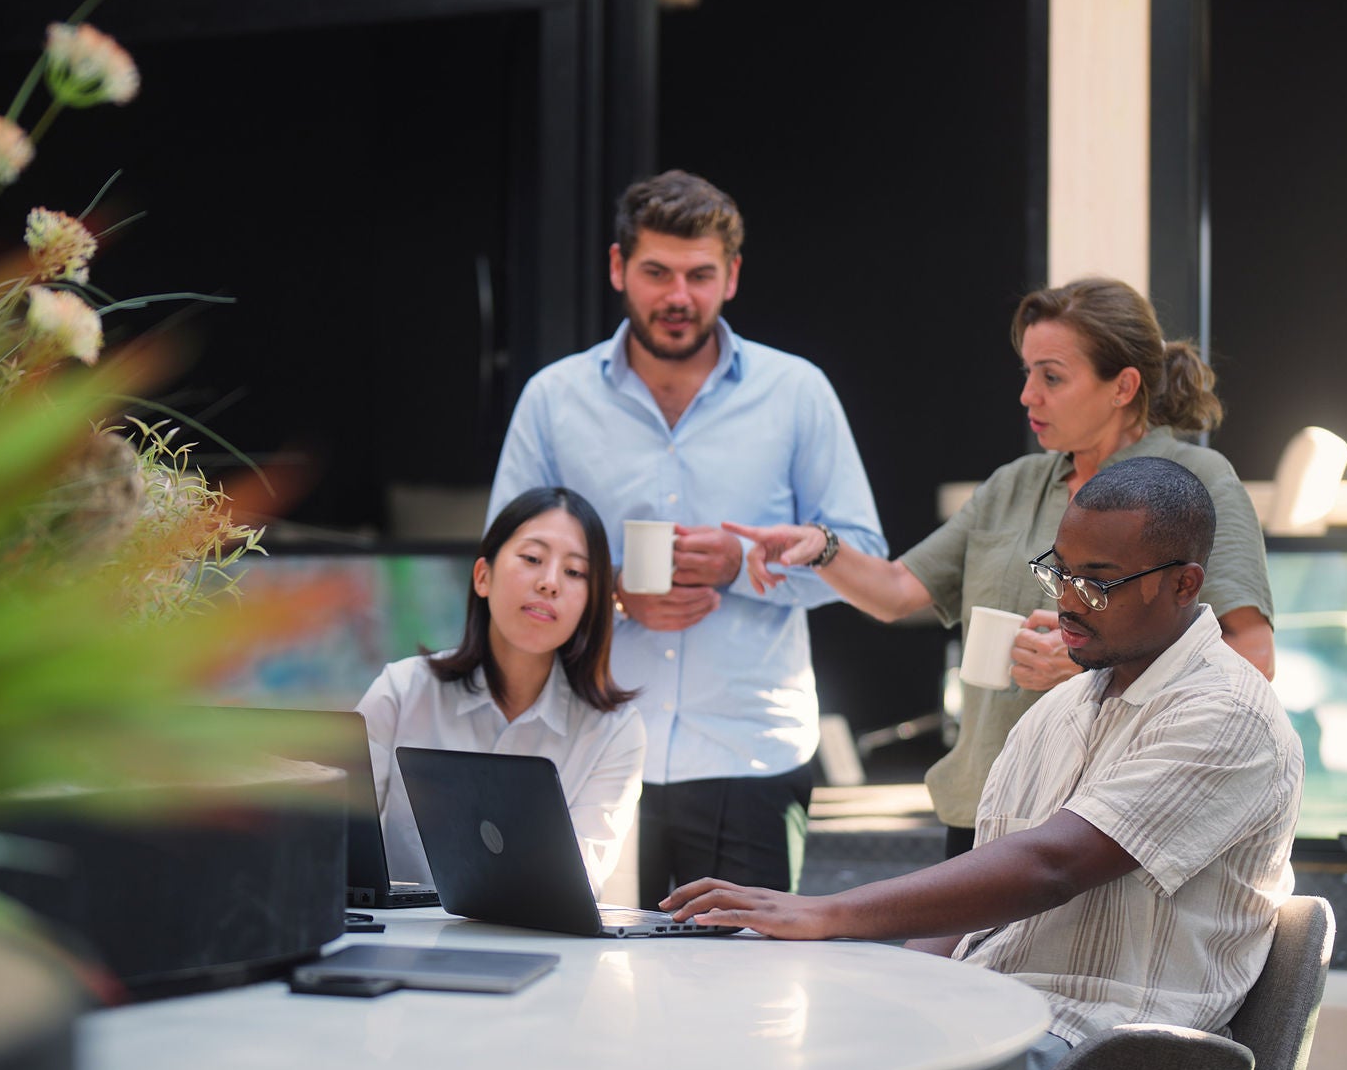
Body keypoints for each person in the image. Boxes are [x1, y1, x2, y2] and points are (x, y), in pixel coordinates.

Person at [664, 458, 1304, 1070]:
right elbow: (967, 913)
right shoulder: (1058, 709)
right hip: (994, 1014)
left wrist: (827, 913)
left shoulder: (1230, 712)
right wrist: (886, 994)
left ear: (1184, 584)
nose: (1067, 599)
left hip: (1109, 1052)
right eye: (1057, 571)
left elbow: (1050, 866)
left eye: (1096, 581)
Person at [722, 276, 1274, 861]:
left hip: (1105, 815)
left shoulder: (1199, 480)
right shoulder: (1014, 484)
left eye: (1052, 377)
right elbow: (895, 591)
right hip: (986, 807)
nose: (1028, 395)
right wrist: (820, 547)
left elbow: (1253, 657)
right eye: (1027, 373)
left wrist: (1092, 666)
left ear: (1123, 386)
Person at [487, 170, 886, 909]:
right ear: (617, 269)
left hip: (749, 747)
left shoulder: (797, 393)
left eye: (700, 275)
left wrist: (742, 563)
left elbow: (863, 554)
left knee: (744, 1001)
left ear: (732, 276)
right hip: (588, 739)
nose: (679, 296)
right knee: (587, 992)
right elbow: (504, 566)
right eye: (657, 273)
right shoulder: (554, 398)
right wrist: (612, 595)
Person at [357, 486, 643, 895]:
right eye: (531, 559)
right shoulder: (401, 692)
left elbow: (575, 887)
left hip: (544, 950)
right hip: (405, 944)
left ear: (590, 603)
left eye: (574, 572)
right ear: (482, 576)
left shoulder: (616, 731)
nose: (549, 583)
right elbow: (338, 844)